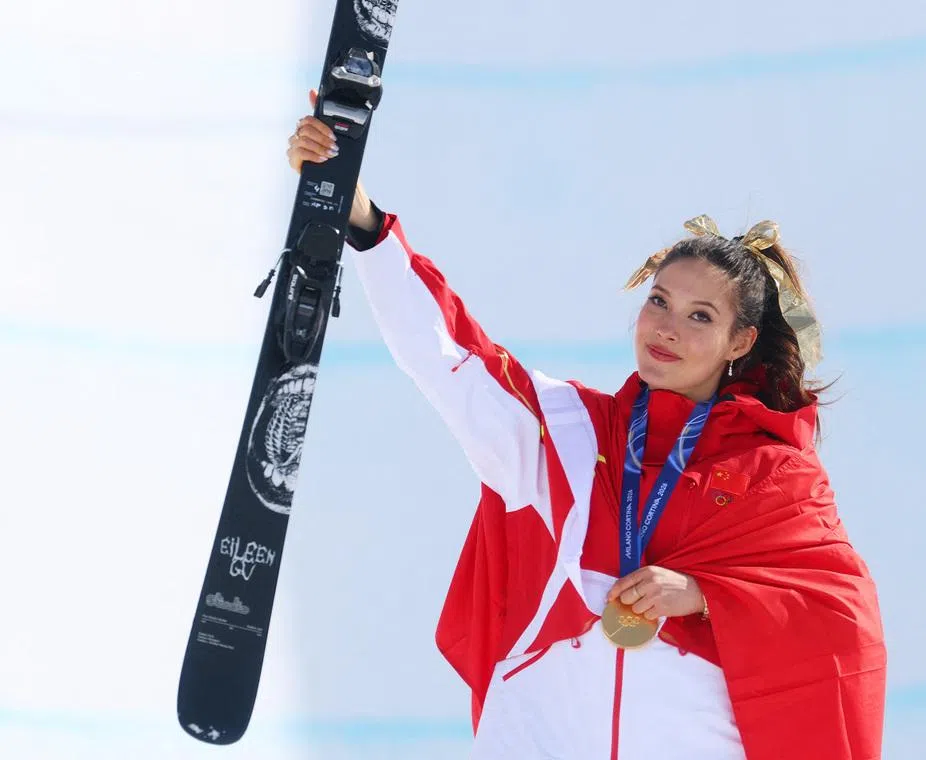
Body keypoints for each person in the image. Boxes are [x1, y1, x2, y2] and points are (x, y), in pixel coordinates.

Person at [286, 90, 887, 759]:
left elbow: (837, 617)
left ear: (740, 342)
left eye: (700, 316)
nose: (666, 327)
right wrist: (365, 224)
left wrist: (706, 595)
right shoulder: (569, 435)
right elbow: (451, 358)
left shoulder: (777, 475)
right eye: (659, 301)